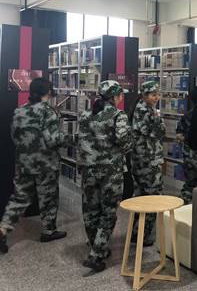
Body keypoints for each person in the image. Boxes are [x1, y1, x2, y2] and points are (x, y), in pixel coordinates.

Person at [0, 78, 70, 254]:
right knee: (48, 198)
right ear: (48, 92)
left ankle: (3, 229)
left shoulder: (20, 110)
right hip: (46, 164)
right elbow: (53, 140)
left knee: (19, 198)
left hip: (23, 162)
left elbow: (14, 136)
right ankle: (48, 231)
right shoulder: (48, 112)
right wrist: (70, 138)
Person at [78, 80, 133, 273]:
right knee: (108, 211)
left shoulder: (85, 114)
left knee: (90, 209)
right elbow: (125, 142)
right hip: (111, 171)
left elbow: (79, 140)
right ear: (116, 96)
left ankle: (96, 245)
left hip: (89, 170)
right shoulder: (118, 115)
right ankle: (96, 254)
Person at [130, 81, 165, 246]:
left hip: (139, 159)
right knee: (152, 196)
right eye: (153, 95)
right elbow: (159, 132)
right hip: (149, 159)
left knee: (140, 194)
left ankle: (135, 231)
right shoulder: (147, 112)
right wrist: (159, 119)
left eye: (158, 94)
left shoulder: (139, 108)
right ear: (144, 95)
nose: (157, 97)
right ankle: (142, 235)